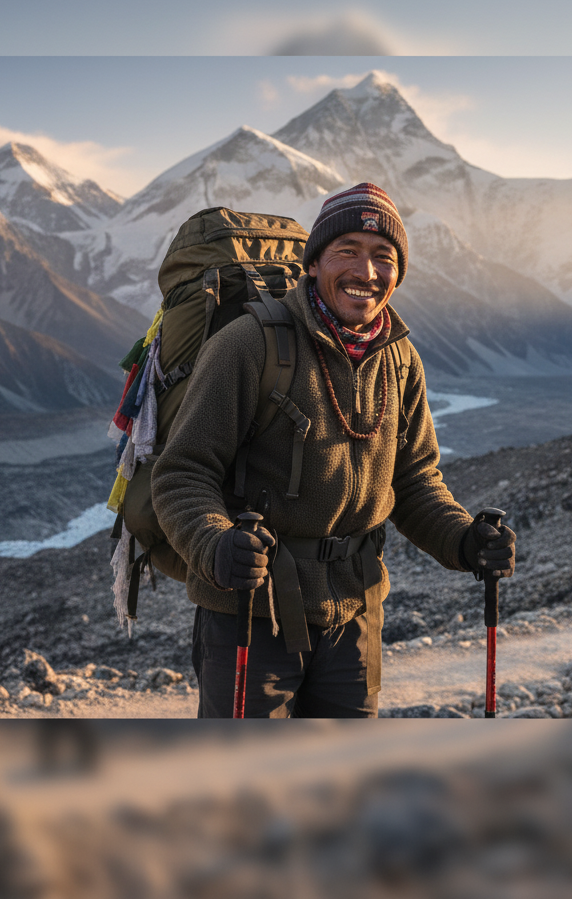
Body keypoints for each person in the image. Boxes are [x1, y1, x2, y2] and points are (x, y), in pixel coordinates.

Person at [152, 183, 516, 717]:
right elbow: (182, 473)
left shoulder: (399, 358)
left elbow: (414, 480)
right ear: (314, 262)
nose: (366, 272)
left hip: (356, 610)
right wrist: (216, 544)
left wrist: (464, 540)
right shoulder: (249, 345)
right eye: (347, 250)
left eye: (383, 257)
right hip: (253, 607)